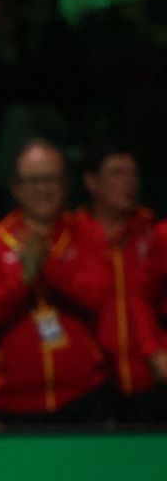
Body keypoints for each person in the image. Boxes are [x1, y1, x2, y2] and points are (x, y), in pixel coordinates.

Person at [0, 138, 108, 425]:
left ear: (65, 184)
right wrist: (22, 281)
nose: (43, 189)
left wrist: (48, 266)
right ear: (16, 187)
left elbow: (98, 295)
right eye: (33, 181)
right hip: (16, 405)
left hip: (84, 397)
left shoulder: (86, 232)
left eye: (51, 179)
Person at [74, 145, 167, 423]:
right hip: (92, 387)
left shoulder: (153, 234)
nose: (129, 182)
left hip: (152, 381)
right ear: (91, 182)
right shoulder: (70, 236)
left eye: (133, 174)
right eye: (117, 173)